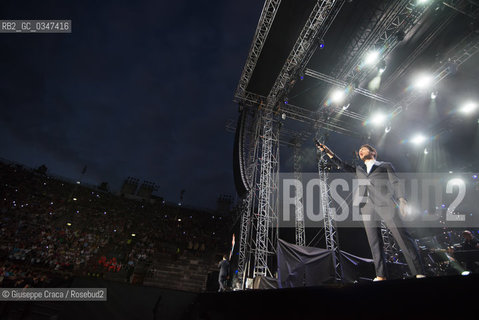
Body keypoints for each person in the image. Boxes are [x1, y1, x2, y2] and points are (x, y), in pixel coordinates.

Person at [315, 142, 424, 280]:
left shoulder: (385, 165)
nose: (361, 151)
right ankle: (381, 275)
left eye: (364, 149)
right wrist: (328, 152)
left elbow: (396, 182)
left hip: (386, 203)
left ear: (373, 152)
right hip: (366, 206)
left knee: (402, 237)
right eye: (359, 150)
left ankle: (419, 271)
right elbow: (342, 164)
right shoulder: (359, 170)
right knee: (374, 242)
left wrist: (402, 199)